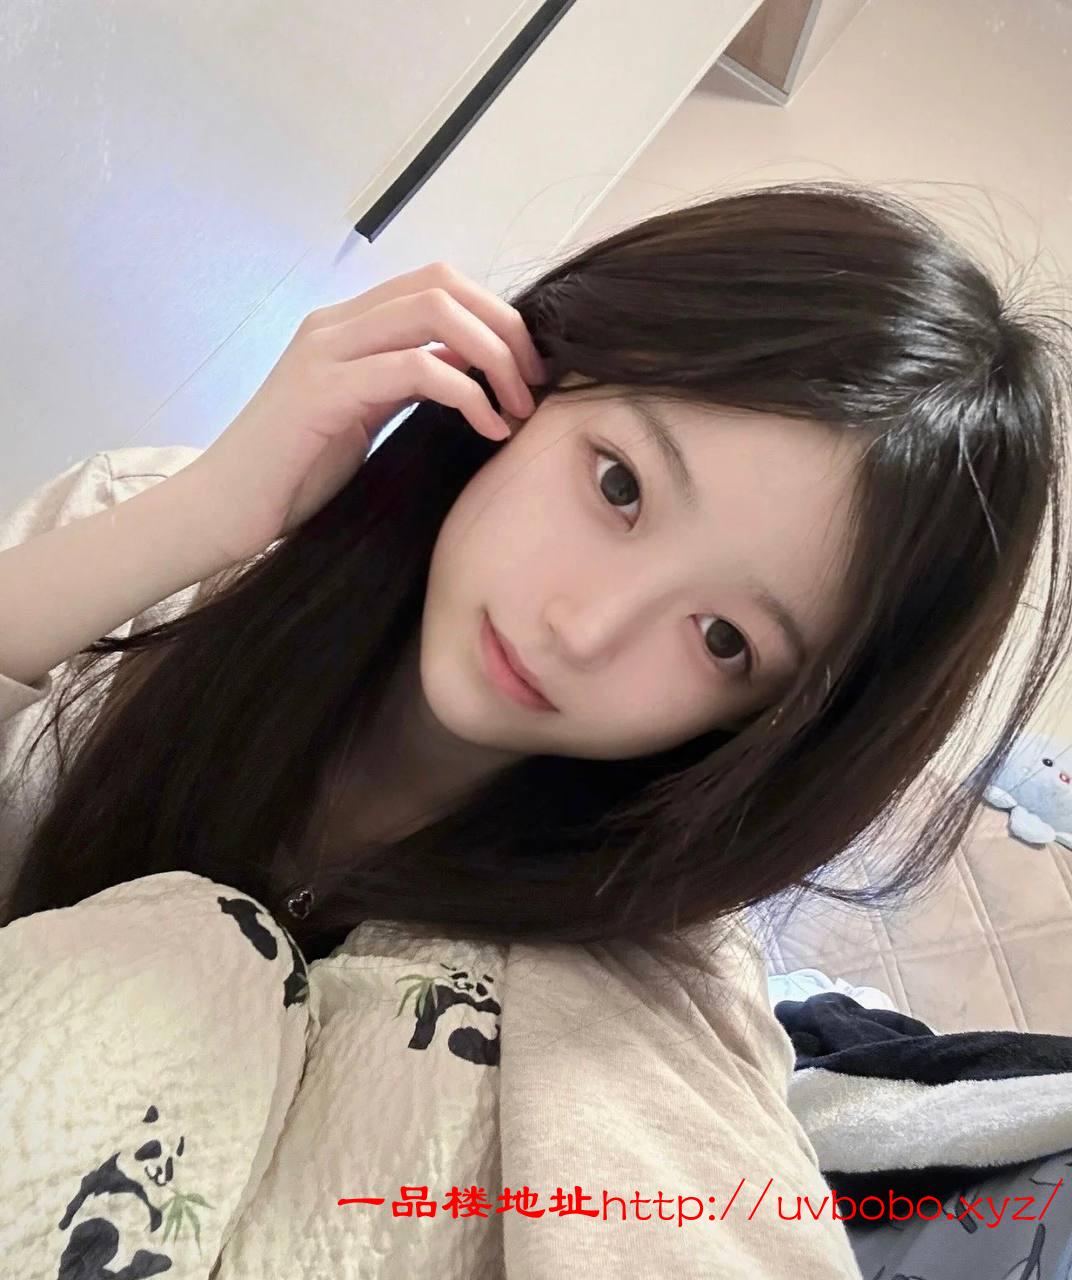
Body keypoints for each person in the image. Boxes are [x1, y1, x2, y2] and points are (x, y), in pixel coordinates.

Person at [0, 179, 1069, 1277]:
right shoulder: (146, 545)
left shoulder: (649, 992)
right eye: (620, 485)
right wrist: (209, 512)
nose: (583, 628)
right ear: (535, 373)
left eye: (722, 638)